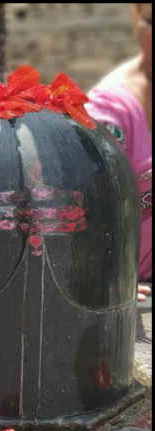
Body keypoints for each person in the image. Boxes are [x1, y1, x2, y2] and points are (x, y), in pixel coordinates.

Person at [85, 3, 152, 296]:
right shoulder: (108, 110)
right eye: (152, 21)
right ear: (134, 16)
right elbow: (88, 211)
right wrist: (111, 276)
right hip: (126, 287)